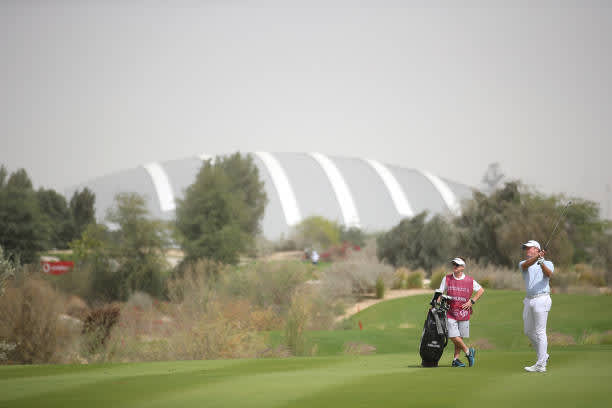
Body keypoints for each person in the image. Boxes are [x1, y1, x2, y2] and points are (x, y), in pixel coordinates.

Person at [431, 257, 485, 367]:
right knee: (452, 335)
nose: (454, 267)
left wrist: (472, 301)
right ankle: (469, 352)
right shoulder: (447, 278)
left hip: (464, 313)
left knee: (459, 338)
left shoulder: (470, 280)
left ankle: (456, 360)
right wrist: (434, 304)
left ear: (462, 267)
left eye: (457, 265)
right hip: (450, 312)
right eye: (453, 264)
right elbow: (440, 293)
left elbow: (481, 290)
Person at [520, 240, 553, 373]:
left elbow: (549, 274)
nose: (526, 250)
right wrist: (537, 258)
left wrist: (542, 262)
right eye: (526, 248)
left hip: (542, 298)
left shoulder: (548, 263)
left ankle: (541, 364)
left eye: (529, 248)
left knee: (540, 331)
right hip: (529, 300)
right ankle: (543, 355)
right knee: (528, 331)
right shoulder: (523, 263)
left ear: (537, 249)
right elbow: (526, 265)